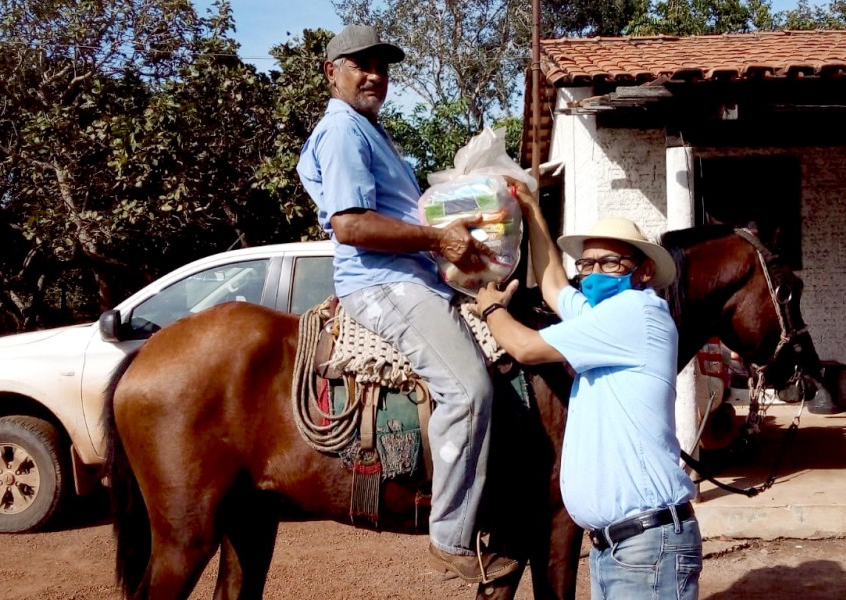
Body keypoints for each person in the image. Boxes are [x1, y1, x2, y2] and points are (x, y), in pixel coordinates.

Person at [296, 25, 518, 584]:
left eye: (382, 66)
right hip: (385, 283)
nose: (375, 75)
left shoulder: (369, 131)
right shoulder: (344, 131)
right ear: (332, 71)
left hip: (413, 276)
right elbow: (351, 225)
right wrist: (441, 240)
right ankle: (449, 537)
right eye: (360, 64)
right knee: (467, 390)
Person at [475, 180, 702, 599]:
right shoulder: (602, 316)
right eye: (588, 265)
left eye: (610, 263)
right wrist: (530, 208)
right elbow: (554, 285)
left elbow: (524, 347)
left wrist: (489, 307)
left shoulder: (634, 313)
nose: (594, 274)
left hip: (644, 547)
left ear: (644, 270)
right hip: (617, 548)